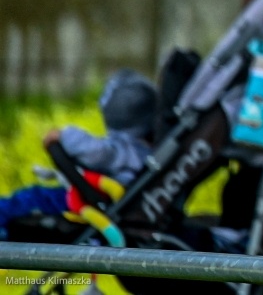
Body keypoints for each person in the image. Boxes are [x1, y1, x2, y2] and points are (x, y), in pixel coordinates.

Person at [0, 70, 158, 238]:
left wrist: (63, 135)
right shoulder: (152, 154)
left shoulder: (125, 151)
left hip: (88, 204)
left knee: (31, 198)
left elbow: (96, 152)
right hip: (103, 201)